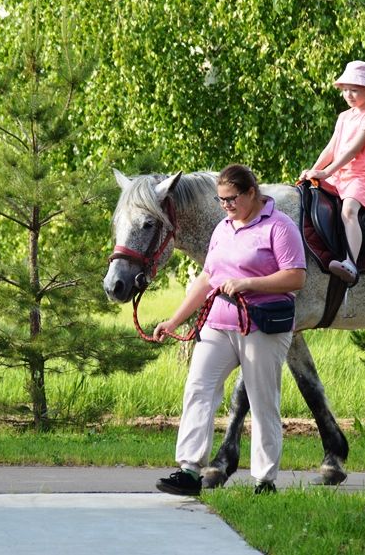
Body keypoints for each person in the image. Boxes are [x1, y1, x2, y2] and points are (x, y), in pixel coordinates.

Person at [152, 164, 307, 496]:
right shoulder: (222, 228)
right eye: (221, 200)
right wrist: (175, 320)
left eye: (232, 199)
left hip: (262, 325)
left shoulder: (280, 226)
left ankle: (264, 480)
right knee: (198, 388)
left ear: (252, 192)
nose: (226, 206)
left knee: (263, 400)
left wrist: (248, 283)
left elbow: (296, 277)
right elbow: (207, 277)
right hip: (218, 324)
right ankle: (189, 471)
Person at [299, 60, 365, 285]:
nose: (349, 94)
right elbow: (332, 147)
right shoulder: (344, 117)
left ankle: (351, 262)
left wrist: (326, 173)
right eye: (346, 89)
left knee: (348, 210)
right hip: (338, 175)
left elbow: (352, 150)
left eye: (355, 89)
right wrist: (315, 170)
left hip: (359, 176)